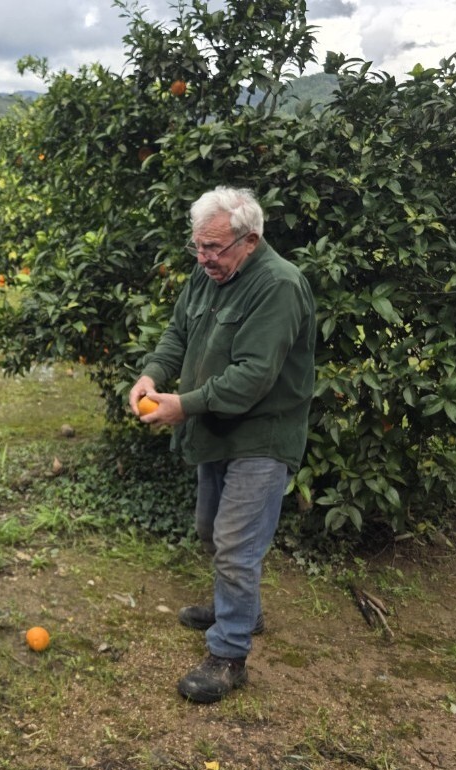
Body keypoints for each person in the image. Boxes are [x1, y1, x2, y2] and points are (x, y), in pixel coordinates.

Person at [130, 186, 315, 704]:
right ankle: (243, 609)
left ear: (250, 240)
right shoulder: (207, 275)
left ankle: (229, 654)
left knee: (235, 546)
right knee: (211, 530)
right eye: (199, 246)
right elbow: (177, 334)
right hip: (215, 431)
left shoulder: (279, 286)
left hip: (262, 435)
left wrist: (181, 405)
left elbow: (255, 376)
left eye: (215, 247)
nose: (205, 258)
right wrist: (152, 375)